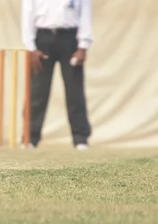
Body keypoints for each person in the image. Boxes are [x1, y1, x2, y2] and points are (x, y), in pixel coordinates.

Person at [21, 0, 93, 150]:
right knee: (37, 91)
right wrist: (31, 47)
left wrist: (83, 46)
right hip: (43, 37)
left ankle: (80, 139)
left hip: (70, 37)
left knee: (75, 91)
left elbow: (85, 15)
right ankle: (30, 139)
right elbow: (27, 15)